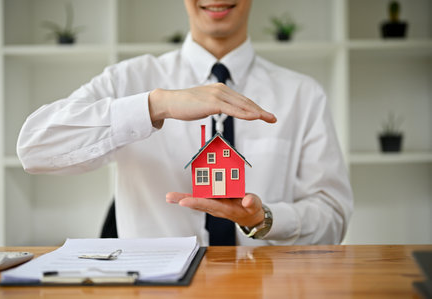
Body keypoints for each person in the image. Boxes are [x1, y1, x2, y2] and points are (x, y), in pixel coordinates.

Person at [17, 0, 353, 246]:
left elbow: (333, 221)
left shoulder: (303, 94)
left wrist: (264, 220)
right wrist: (156, 105)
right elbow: (34, 149)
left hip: (264, 285)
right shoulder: (130, 80)